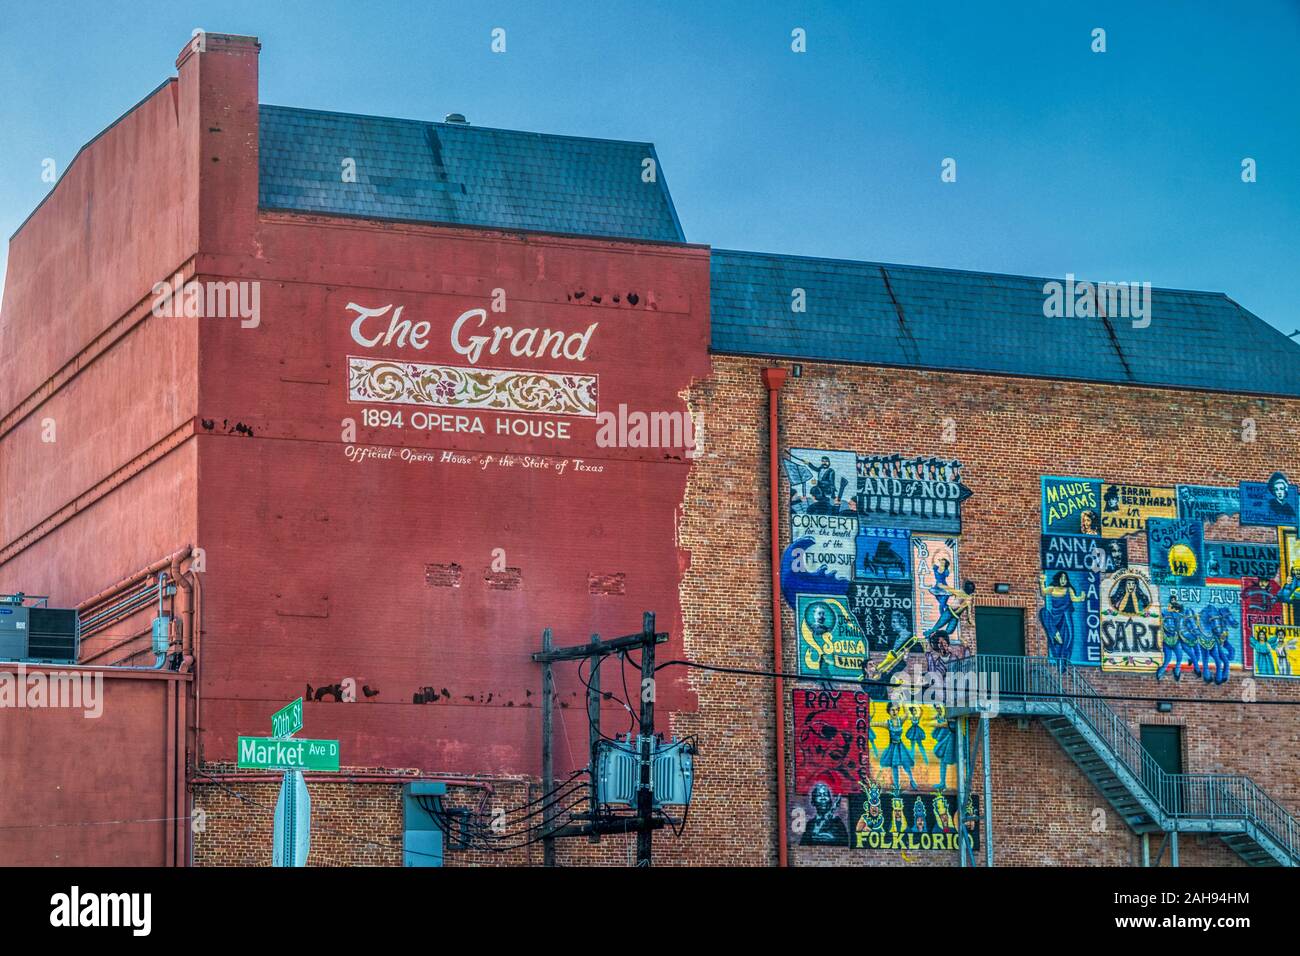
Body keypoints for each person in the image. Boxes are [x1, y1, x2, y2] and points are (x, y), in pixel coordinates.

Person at [1040, 571, 1086, 671]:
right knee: (1043, 612)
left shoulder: (1068, 589)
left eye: (1065, 579)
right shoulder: (1052, 588)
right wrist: (1042, 581)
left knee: (1068, 638)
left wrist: (1081, 597)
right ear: (1058, 579)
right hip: (1055, 617)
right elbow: (1043, 592)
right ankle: (1055, 633)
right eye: (1062, 578)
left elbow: (1075, 599)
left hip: (1065, 616)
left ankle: (1062, 663)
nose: (1063, 580)